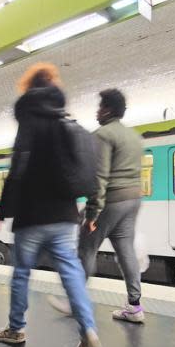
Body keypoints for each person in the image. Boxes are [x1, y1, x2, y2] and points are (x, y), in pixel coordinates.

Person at [0, 63, 101, 347]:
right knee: (70, 272)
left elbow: (18, 169)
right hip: (66, 215)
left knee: (22, 273)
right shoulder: (68, 121)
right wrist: (88, 212)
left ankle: (15, 329)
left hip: (31, 215)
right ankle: (88, 329)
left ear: (28, 89)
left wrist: (4, 210)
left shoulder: (28, 122)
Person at [48, 89, 146, 323]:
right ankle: (135, 306)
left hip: (111, 200)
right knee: (126, 251)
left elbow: (99, 177)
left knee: (86, 248)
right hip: (133, 200)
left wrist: (91, 213)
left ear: (108, 110)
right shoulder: (134, 136)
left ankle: (75, 303)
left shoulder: (102, 135)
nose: (97, 111)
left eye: (100, 107)